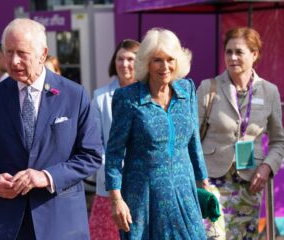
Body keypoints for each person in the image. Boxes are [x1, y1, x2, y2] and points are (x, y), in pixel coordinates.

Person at [0, 18, 102, 240]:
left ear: (43, 53)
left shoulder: (74, 95)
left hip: (60, 224)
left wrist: (47, 176)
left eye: (22, 52)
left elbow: (91, 155)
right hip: (6, 224)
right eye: (8, 52)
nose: (14, 60)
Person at [105, 28, 209, 240]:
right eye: (157, 60)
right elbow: (114, 154)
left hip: (184, 193)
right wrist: (116, 200)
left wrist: (204, 183)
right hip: (143, 198)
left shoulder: (186, 90)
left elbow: (193, 143)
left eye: (170, 59)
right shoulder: (127, 98)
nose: (165, 66)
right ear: (146, 63)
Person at [197, 27, 284, 239]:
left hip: (251, 181)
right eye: (228, 51)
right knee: (213, 235)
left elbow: (279, 141)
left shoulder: (270, 91)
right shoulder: (208, 87)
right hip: (211, 180)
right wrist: (198, 176)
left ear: (254, 55)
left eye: (239, 52)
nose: (232, 57)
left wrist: (267, 168)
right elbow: (191, 138)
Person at [89, 39, 140, 240]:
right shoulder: (100, 98)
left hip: (142, 185)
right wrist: (113, 175)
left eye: (130, 59)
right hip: (110, 188)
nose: (124, 64)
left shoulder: (152, 95)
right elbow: (94, 145)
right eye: (120, 59)